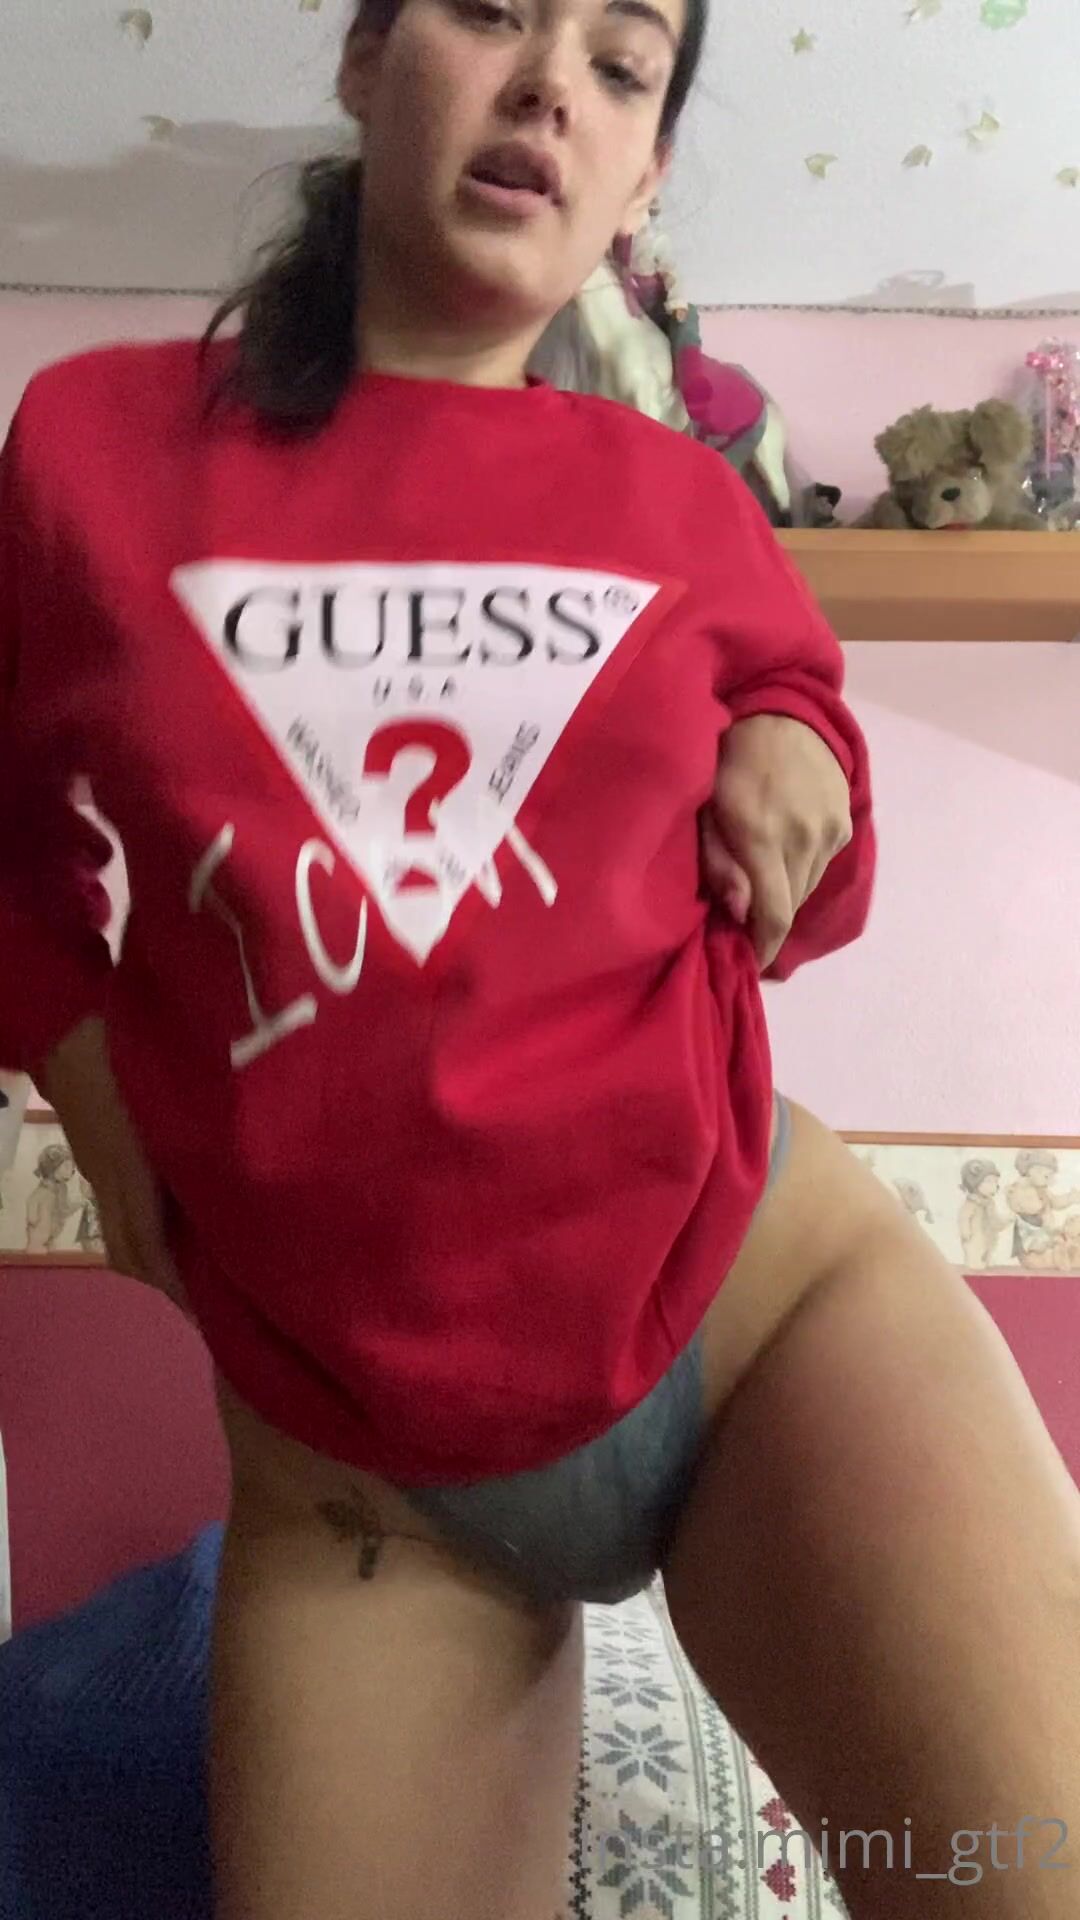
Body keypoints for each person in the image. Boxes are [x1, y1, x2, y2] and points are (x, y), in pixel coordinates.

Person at [1, 0, 1078, 1914]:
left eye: (620, 61)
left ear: (643, 173)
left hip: (759, 1319)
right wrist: (86, 1088)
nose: (547, 88)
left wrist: (799, 757)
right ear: (365, 57)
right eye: (493, 11)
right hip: (360, 1492)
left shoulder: (683, 501)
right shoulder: (94, 444)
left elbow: (811, 846)